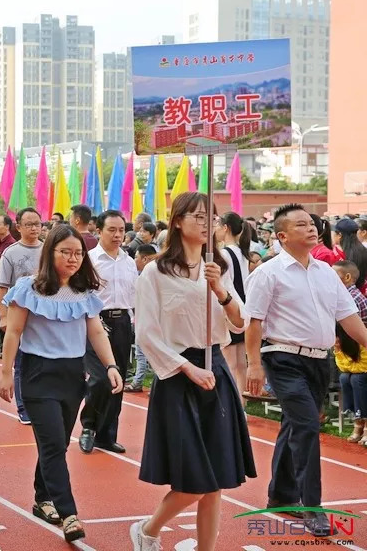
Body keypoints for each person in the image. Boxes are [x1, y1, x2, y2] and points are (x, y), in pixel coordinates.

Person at [130, 192, 255, 551]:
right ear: (178, 220)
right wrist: (187, 369)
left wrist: (221, 291)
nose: (206, 224)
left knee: (217, 480)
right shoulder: (155, 272)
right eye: (198, 216)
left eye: (211, 218)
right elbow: (148, 334)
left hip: (214, 369)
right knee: (195, 480)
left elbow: (239, 322)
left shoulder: (219, 268)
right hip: (178, 375)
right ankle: (148, 529)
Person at [245, 203, 367, 537]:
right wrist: (254, 365)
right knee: (307, 425)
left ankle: (279, 495)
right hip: (282, 358)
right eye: (302, 225)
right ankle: (311, 506)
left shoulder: (327, 272)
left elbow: (349, 319)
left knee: (294, 426)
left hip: (318, 361)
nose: (312, 228)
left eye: (312, 223)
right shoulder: (268, 273)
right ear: (282, 235)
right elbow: (253, 322)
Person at [0, 225, 123, 541]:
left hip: (71, 375)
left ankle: (43, 499)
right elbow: (12, 332)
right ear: (50, 252)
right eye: (65, 251)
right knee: (54, 444)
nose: (73, 258)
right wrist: (4, 373)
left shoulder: (84, 293)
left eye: (78, 252)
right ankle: (69, 514)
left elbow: (95, 332)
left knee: (55, 444)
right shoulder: (28, 288)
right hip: (38, 375)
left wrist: (110, 365)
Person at [79, 209, 138, 455]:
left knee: (118, 381)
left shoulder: (129, 261)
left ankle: (106, 434)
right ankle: (88, 426)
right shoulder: (89, 260)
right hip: (96, 323)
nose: (117, 235)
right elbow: (81, 295)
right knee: (101, 378)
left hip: (123, 323)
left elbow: (134, 297)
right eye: (111, 230)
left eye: (121, 230)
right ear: (99, 230)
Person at [0, 208, 43, 418]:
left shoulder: (49, 250)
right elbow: (3, 286)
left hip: (43, 316)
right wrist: (3, 315)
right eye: (29, 224)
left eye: (37, 224)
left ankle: (39, 401)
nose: (34, 228)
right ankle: (23, 407)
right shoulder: (11, 253)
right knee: (21, 361)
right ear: (19, 227)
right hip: (18, 315)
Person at [216, 212, 252, 406]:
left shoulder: (223, 253)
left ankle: (233, 403)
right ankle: (241, 402)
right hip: (243, 307)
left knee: (231, 362)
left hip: (231, 308)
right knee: (240, 361)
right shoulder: (243, 252)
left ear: (225, 228)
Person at [331, 260, 367, 445]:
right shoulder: (341, 296)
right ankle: (357, 420)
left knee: (359, 380)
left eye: (333, 276)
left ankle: (363, 424)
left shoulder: (353, 299)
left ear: (347, 277)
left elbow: (356, 334)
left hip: (361, 352)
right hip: (351, 353)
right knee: (346, 379)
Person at [125, 245, 159, 393]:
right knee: (147, 354)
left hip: (148, 320)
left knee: (148, 354)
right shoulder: (150, 273)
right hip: (145, 319)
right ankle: (141, 382)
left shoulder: (149, 275)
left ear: (145, 259)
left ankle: (142, 382)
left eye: (136, 257)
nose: (134, 260)